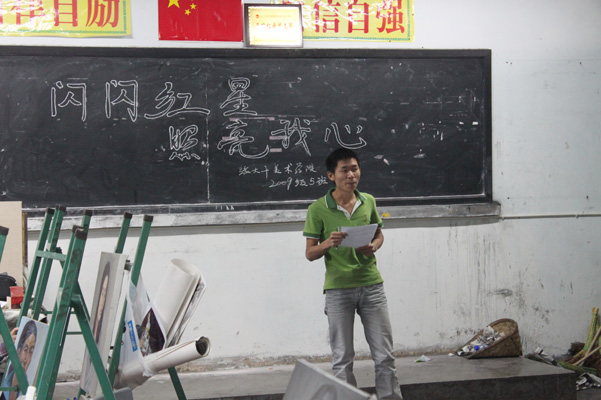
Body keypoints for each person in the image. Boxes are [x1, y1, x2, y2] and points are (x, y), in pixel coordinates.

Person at [303, 148, 403, 400]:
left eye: (355, 169)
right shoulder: (317, 209)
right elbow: (310, 253)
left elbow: (379, 233)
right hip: (338, 289)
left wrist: (374, 246)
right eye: (344, 170)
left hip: (371, 285)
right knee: (342, 358)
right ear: (331, 175)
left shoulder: (368, 201)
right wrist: (328, 243)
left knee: (384, 355)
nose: (351, 175)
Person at [1, 320, 37, 400]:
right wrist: (5, 347)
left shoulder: (31, 389)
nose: (26, 359)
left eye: (31, 351)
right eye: (25, 350)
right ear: (18, 350)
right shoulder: (6, 382)